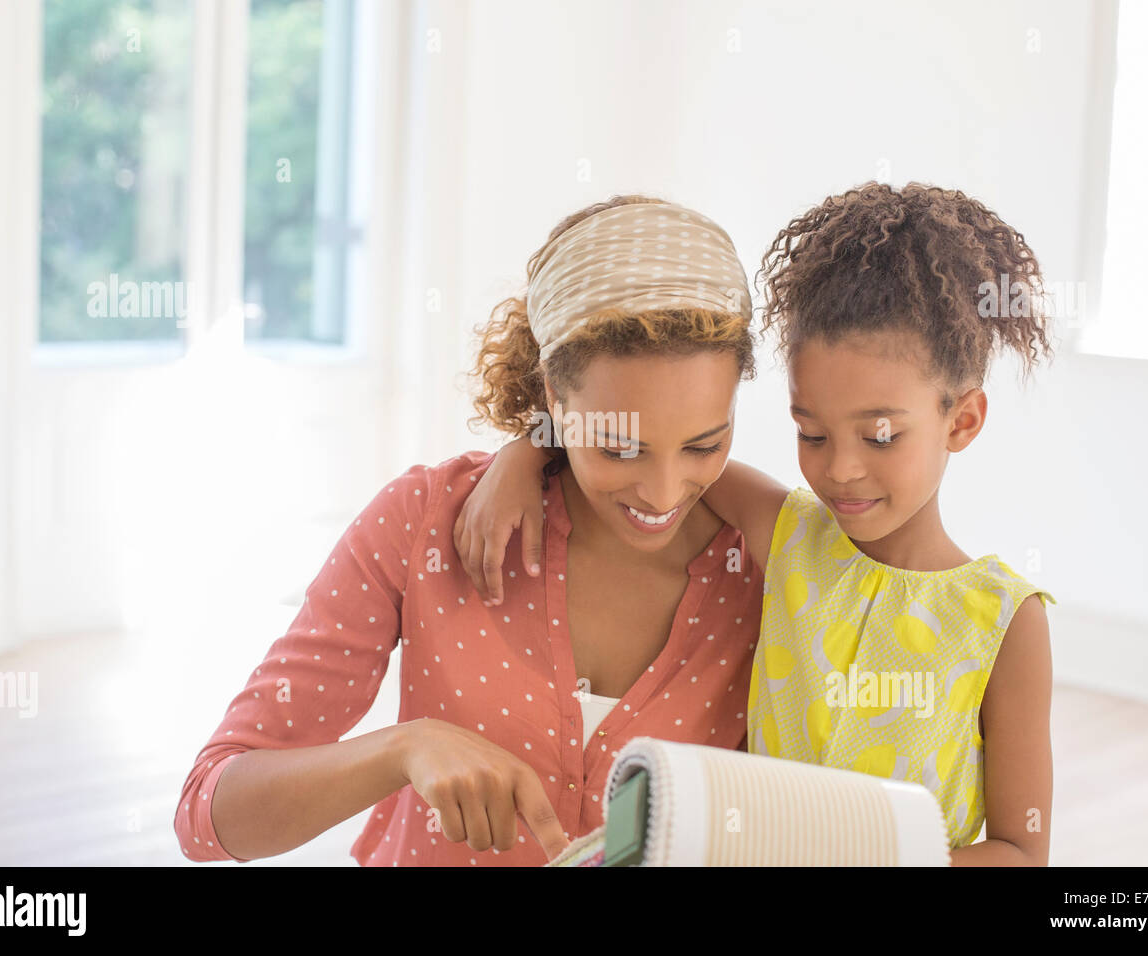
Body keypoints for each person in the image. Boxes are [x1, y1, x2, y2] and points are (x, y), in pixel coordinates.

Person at [457, 182, 1057, 866]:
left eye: (881, 437)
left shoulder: (1003, 620)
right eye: (813, 433)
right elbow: (642, 445)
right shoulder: (789, 539)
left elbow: (1020, 852)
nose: (842, 471)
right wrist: (522, 453)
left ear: (963, 419)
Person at [173, 194, 765, 866]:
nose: (662, 494)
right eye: (617, 447)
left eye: (703, 445)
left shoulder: (767, 574)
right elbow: (207, 815)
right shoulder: (423, 521)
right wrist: (404, 748)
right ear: (552, 396)